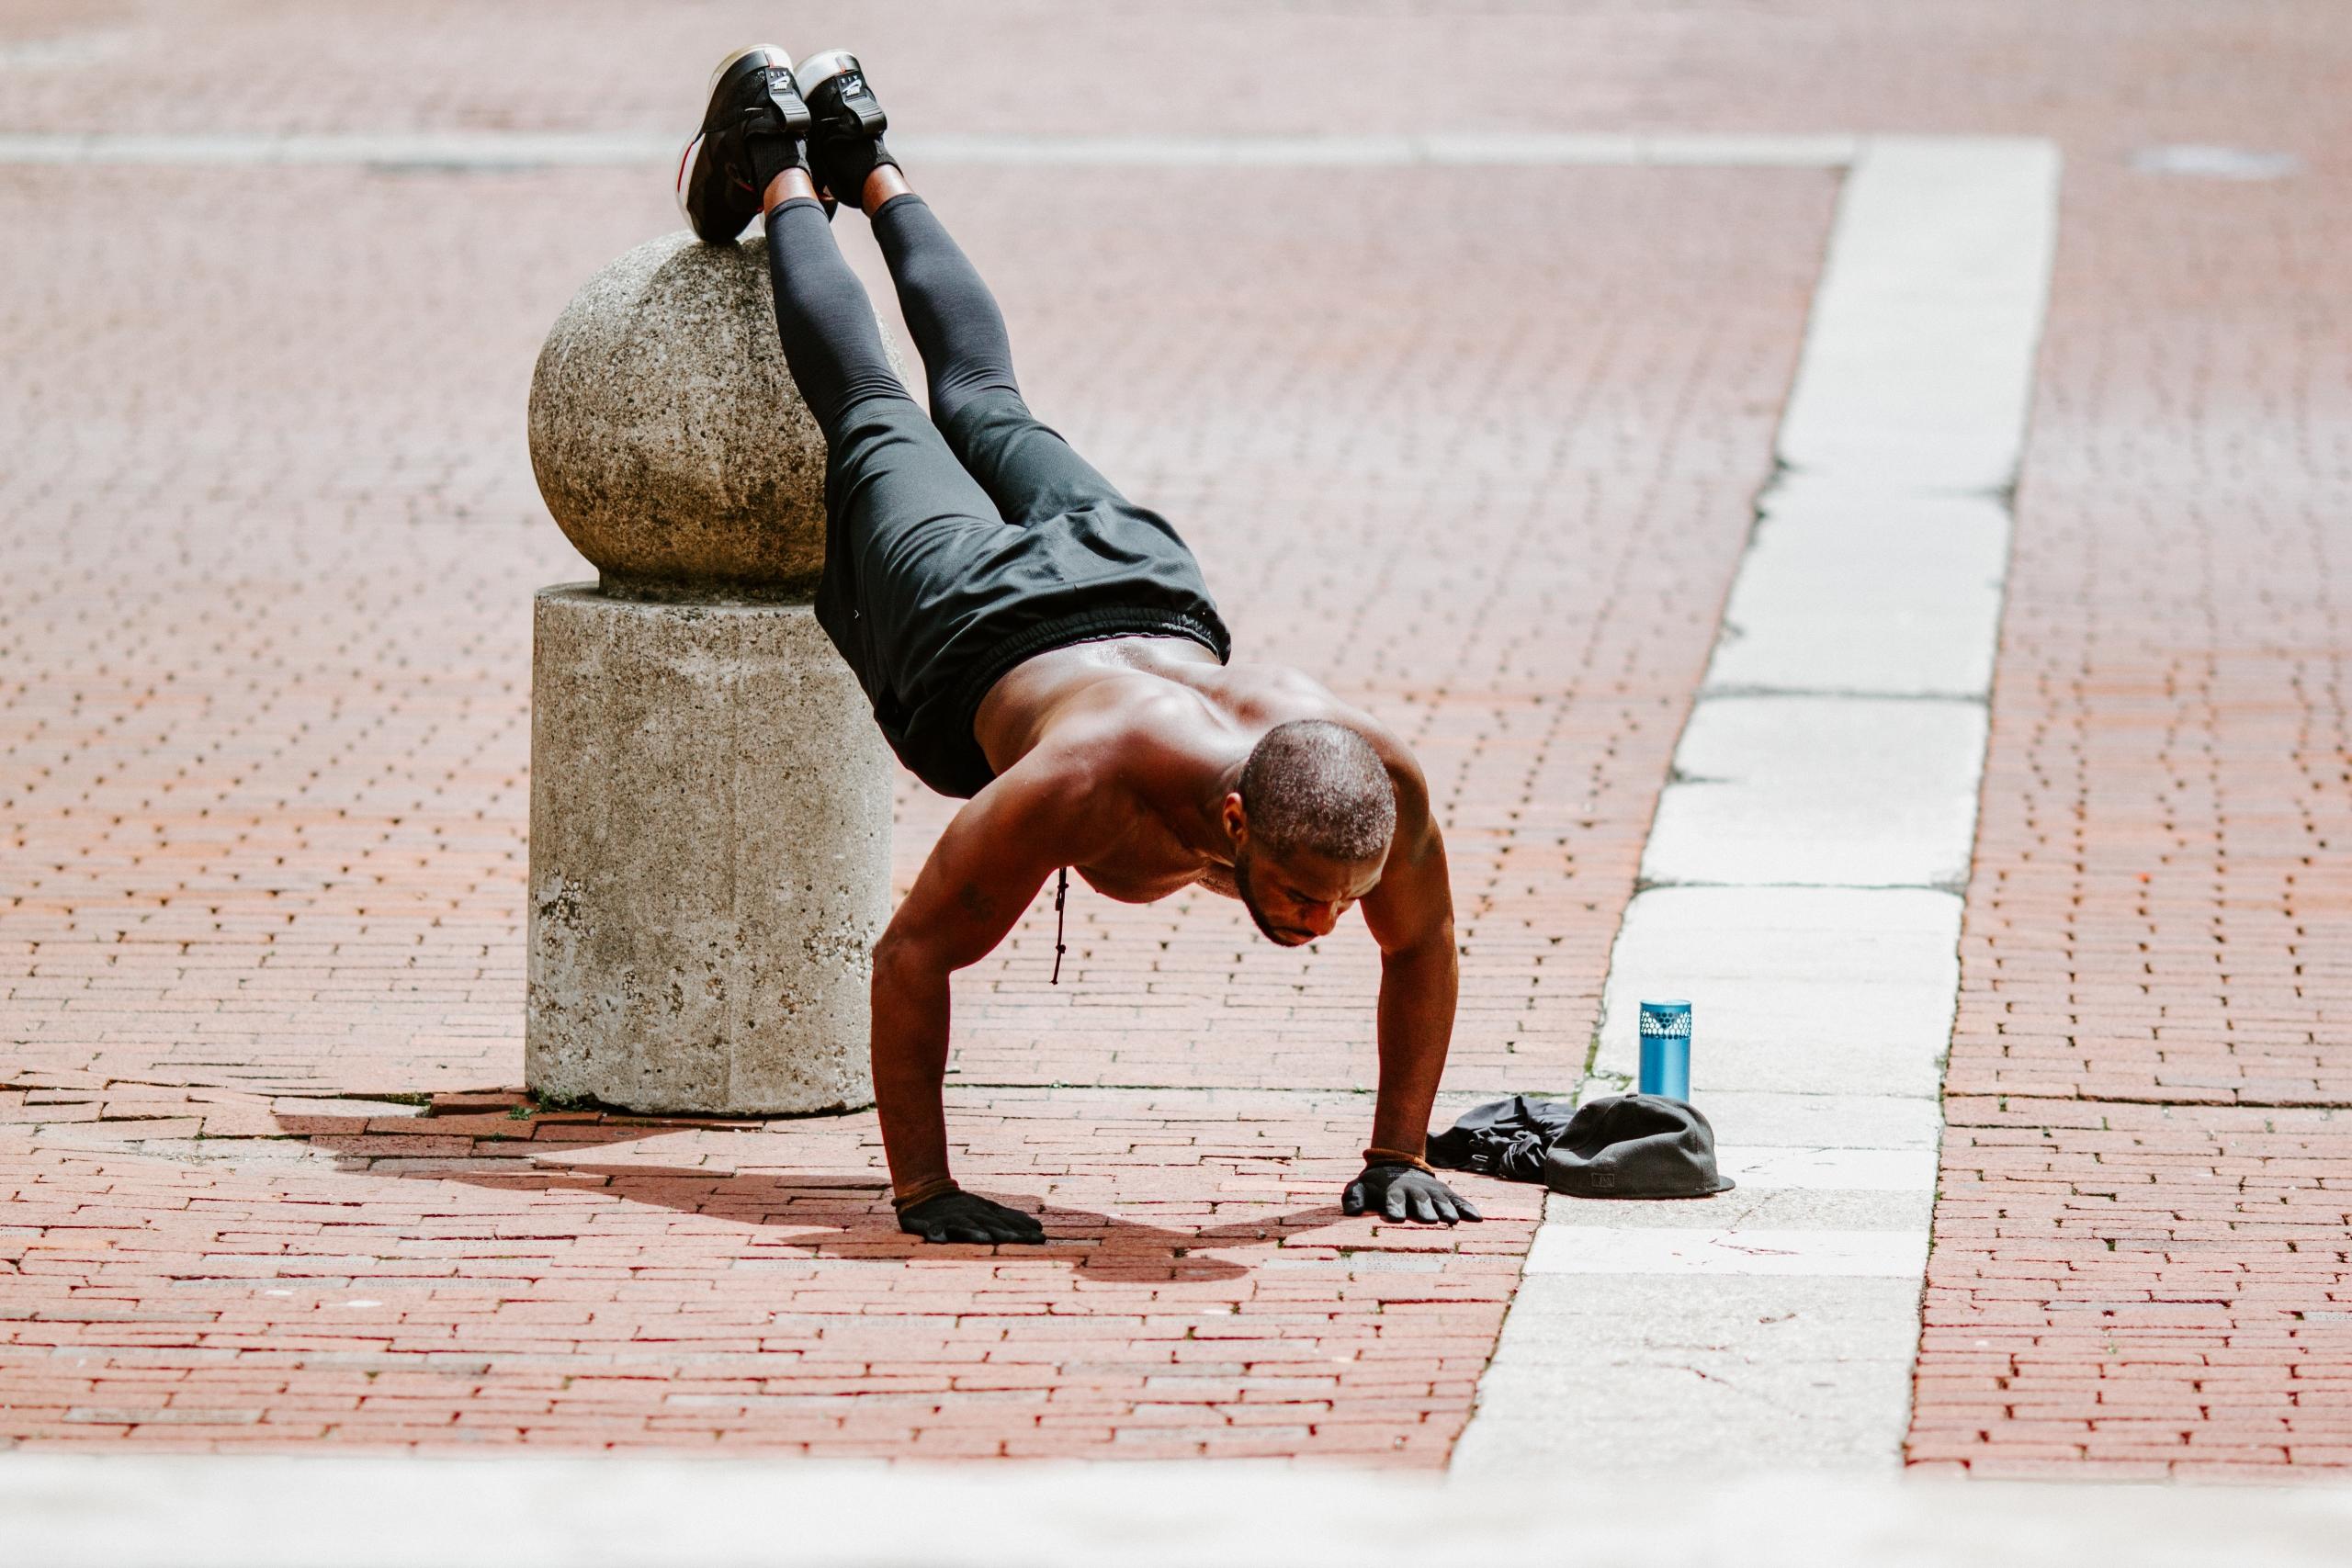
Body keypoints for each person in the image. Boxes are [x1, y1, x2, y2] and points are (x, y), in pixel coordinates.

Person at [677, 46, 1483, 1244]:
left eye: (1335, 903)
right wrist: (924, 1190)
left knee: (990, 402)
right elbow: (910, 961)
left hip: (1141, 584)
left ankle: (871, 151)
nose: (1323, 928)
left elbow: (1421, 942)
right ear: (1233, 821)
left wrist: (1395, 1153)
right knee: (876, 407)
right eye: (1308, 902)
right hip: (973, 615)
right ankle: (782, 157)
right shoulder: (1075, 783)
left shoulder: (1376, 783)